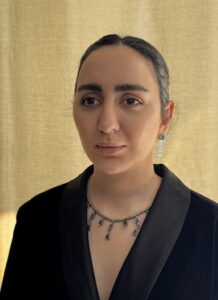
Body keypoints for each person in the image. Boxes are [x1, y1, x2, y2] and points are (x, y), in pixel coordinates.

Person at [0, 34, 217, 300]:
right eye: (90, 100)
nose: (107, 124)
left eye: (130, 101)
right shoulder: (36, 219)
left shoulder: (210, 227)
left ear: (165, 117)